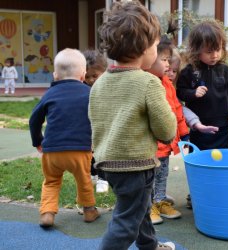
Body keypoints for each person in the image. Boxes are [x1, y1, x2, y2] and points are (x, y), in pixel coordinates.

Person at [88, 1, 177, 250]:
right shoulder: (147, 83)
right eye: (156, 46)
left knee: (138, 208)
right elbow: (166, 131)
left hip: (108, 163)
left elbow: (96, 122)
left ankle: (149, 245)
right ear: (144, 48)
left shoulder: (100, 83)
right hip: (135, 165)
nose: (157, 52)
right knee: (127, 220)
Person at [29, 48, 100, 228]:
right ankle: (89, 210)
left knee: (51, 181)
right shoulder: (89, 93)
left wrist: (38, 140)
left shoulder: (50, 94)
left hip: (52, 150)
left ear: (55, 75)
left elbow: (34, 119)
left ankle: (47, 213)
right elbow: (99, 119)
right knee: (83, 179)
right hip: (80, 150)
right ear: (83, 74)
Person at [176, 20, 228, 151]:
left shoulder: (226, 70)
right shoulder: (189, 71)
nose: (215, 55)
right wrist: (193, 93)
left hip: (221, 127)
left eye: (218, 50)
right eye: (209, 52)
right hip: (199, 126)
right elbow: (180, 92)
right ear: (196, 50)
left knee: (221, 160)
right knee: (198, 158)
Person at [146, 33, 189, 225]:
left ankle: (160, 201)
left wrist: (184, 132)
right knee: (149, 177)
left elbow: (177, 109)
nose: (167, 65)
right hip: (149, 146)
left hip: (166, 144)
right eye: (163, 60)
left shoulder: (168, 84)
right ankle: (149, 207)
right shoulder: (146, 83)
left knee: (163, 174)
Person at [82, 49, 109, 193]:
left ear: (103, 72)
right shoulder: (82, 88)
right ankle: (93, 174)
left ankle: (103, 178)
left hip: (103, 126)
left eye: (95, 76)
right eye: (87, 76)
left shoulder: (107, 87)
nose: (91, 79)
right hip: (87, 126)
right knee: (89, 152)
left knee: (101, 152)